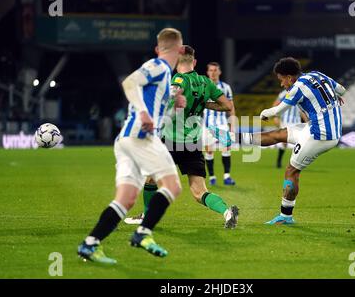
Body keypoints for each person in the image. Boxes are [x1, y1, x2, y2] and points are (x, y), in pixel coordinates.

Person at [77, 28, 186, 263]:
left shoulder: (164, 76)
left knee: (125, 199)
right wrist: (145, 114)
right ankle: (143, 233)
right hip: (140, 137)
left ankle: (90, 244)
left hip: (126, 140)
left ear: (158, 47)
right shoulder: (158, 66)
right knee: (173, 185)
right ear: (180, 49)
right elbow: (129, 83)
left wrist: (174, 103)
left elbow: (158, 109)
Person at [209, 57, 346, 225]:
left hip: (320, 135)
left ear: (289, 77)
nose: (282, 84)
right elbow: (342, 90)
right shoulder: (317, 75)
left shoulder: (298, 87)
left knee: (291, 171)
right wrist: (335, 97)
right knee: (278, 134)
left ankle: (286, 216)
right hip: (318, 128)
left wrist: (263, 113)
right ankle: (232, 138)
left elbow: (276, 111)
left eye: (281, 80)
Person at [124, 46, 239, 229]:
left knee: (151, 180)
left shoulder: (178, 79)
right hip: (193, 143)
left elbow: (171, 98)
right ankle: (226, 212)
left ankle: (147, 216)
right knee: (199, 191)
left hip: (170, 140)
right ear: (194, 62)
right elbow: (227, 106)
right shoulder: (205, 82)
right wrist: (203, 103)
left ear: (177, 62)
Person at [203, 62, 237, 185]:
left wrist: (233, 123)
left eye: (215, 70)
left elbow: (231, 106)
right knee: (209, 151)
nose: (213, 72)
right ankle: (212, 177)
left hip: (222, 123)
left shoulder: (226, 87)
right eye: (210, 70)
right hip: (206, 124)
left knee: (226, 148)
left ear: (219, 72)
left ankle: (227, 176)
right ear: (207, 72)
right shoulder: (203, 86)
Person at [272, 90, 308, 168]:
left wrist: (306, 121)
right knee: (284, 142)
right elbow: (275, 104)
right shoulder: (284, 93)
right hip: (285, 121)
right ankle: (279, 161)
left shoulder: (300, 92)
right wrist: (275, 117)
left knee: (300, 142)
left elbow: (301, 110)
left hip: (297, 122)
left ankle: (294, 163)